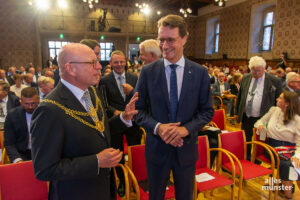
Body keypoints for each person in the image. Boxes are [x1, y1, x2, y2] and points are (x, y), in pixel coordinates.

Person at [31, 43, 138, 200]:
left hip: (103, 187)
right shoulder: (49, 109)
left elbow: (98, 130)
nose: (99, 67)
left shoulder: (92, 92)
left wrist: (123, 118)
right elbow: (45, 169)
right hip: (76, 193)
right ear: (71, 68)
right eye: (92, 63)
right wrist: (95, 161)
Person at [134, 14, 214, 200]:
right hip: (156, 150)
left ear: (184, 38)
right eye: (161, 40)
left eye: (171, 40)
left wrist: (185, 129)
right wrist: (159, 127)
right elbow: (138, 110)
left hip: (185, 150)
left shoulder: (200, 73)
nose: (165, 45)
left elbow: (207, 111)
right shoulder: (147, 72)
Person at [99, 50, 141, 196]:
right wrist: (116, 112)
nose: (119, 65)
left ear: (126, 61)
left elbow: (140, 97)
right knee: (118, 154)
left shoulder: (133, 77)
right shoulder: (104, 80)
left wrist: (133, 91)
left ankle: (136, 180)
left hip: (133, 123)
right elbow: (104, 103)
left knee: (135, 152)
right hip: (115, 123)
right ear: (110, 63)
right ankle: (122, 182)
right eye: (115, 62)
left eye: (121, 61)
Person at [255, 91, 300, 199]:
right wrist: (261, 126)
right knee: (287, 164)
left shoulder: (297, 119)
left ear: (287, 103)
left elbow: (299, 143)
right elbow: (258, 122)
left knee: (294, 164)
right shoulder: (273, 110)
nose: (277, 99)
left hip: (291, 148)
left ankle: (286, 188)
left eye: (280, 98)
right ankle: (288, 196)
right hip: (272, 146)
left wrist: (297, 156)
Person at [236, 56, 282, 160]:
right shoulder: (245, 78)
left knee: (261, 140)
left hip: (263, 118)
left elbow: (278, 102)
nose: (256, 73)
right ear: (250, 69)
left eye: (259, 71)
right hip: (246, 116)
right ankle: (246, 158)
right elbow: (240, 96)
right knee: (246, 139)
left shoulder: (274, 81)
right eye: (254, 71)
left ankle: (257, 160)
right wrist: (236, 112)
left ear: (264, 68)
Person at [4, 87, 39, 163]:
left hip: (43, 152)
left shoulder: (46, 113)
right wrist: (17, 160)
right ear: (21, 101)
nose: (30, 107)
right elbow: (9, 143)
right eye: (26, 104)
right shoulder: (12, 115)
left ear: (38, 99)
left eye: (33, 103)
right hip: (22, 154)